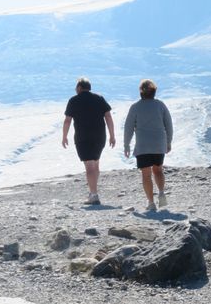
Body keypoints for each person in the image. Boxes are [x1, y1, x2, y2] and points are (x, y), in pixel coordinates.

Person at [62, 77, 115, 205]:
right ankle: (93, 192)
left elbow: (67, 120)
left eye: (76, 87)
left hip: (83, 137)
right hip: (99, 136)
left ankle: (94, 195)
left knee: (89, 166)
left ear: (79, 87)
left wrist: (64, 136)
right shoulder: (99, 99)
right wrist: (112, 135)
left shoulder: (74, 100)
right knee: (95, 164)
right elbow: (108, 116)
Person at [123, 79, 173, 213]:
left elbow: (128, 127)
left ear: (141, 92)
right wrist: (168, 142)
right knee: (158, 170)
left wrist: (126, 144)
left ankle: (151, 203)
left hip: (143, 145)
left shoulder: (135, 107)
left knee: (146, 175)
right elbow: (168, 124)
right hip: (158, 143)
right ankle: (161, 193)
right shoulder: (160, 105)